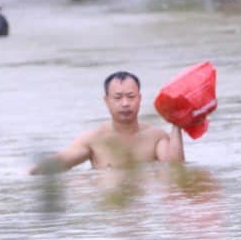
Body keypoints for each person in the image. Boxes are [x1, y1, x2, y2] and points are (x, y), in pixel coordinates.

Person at [29, 71, 185, 174]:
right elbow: (61, 162)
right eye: (118, 98)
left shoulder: (156, 137)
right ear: (106, 101)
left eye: (131, 97)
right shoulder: (93, 140)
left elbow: (176, 169)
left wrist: (177, 125)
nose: (125, 103)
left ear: (140, 99)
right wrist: (31, 172)